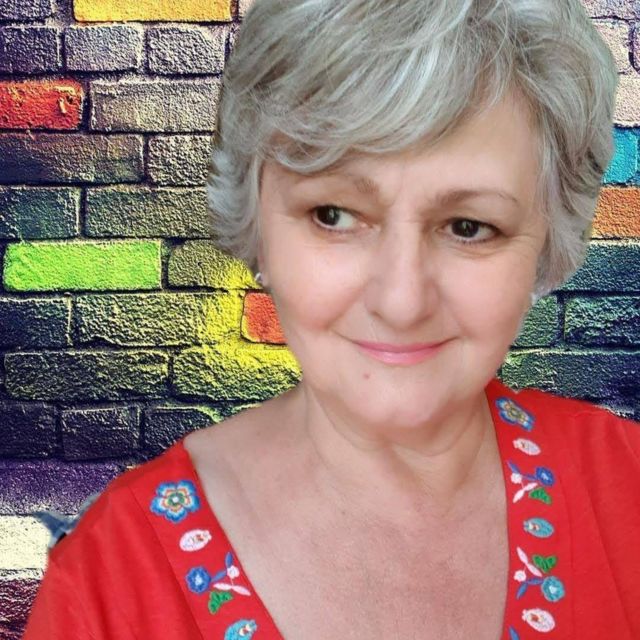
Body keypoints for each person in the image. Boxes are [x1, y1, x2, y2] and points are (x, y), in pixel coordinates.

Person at [23, 0, 640, 639]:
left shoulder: (630, 487)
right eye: (334, 215)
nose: (401, 302)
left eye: (468, 227)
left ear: (547, 243)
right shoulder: (105, 588)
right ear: (257, 226)